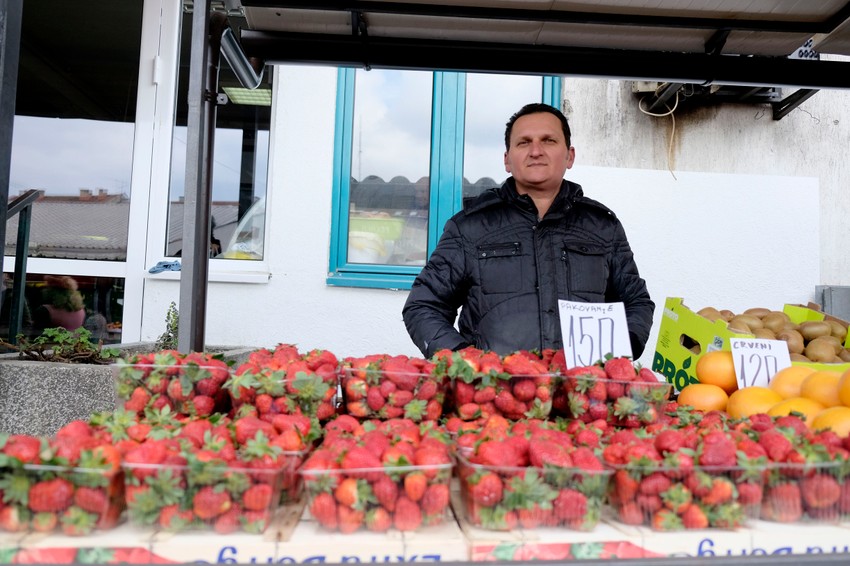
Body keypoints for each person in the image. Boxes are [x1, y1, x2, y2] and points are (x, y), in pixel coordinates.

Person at [402, 102, 654, 358]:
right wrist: (465, 361)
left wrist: (617, 356)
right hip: (496, 392)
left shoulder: (602, 226)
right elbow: (423, 306)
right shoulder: (470, 227)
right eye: (523, 142)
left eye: (548, 140)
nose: (536, 151)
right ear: (507, 160)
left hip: (583, 390)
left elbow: (637, 304)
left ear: (569, 156)